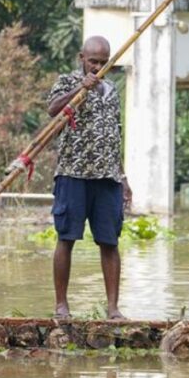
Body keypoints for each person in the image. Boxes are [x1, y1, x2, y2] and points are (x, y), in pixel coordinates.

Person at [46, 35, 132, 320]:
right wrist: (80, 88)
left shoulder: (111, 90)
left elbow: (115, 135)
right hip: (73, 173)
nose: (97, 67)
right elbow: (53, 109)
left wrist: (122, 177)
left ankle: (113, 308)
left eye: (103, 62)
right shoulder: (67, 82)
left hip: (107, 176)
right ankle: (61, 305)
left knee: (110, 242)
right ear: (81, 58)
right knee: (66, 237)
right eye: (93, 61)